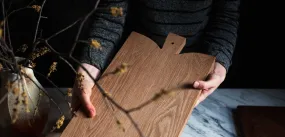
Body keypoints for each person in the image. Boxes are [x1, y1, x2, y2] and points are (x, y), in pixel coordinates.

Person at [72, 0, 240, 117]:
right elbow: (111, 15)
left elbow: (226, 16)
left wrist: (219, 64)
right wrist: (89, 67)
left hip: (192, 73)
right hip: (133, 62)